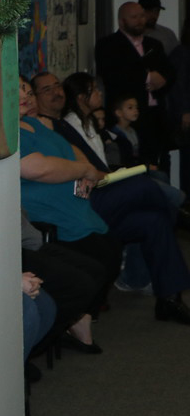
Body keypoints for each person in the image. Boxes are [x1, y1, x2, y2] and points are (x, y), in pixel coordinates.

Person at [18, 77, 190, 325]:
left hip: (89, 196)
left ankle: (170, 300)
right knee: (144, 185)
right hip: (79, 204)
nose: (29, 97)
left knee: (155, 220)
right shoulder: (18, 132)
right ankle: (183, 217)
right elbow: (40, 168)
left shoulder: (46, 126)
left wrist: (84, 170)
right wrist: (84, 171)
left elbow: (78, 157)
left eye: (29, 92)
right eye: (41, 90)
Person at [95, 1, 174, 169]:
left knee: (161, 159)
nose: (140, 20)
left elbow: (169, 73)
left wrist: (161, 81)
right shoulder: (108, 45)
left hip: (156, 113)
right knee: (136, 161)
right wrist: (147, 77)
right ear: (122, 21)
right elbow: (114, 76)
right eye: (134, 17)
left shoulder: (154, 45)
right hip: (127, 116)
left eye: (142, 16)